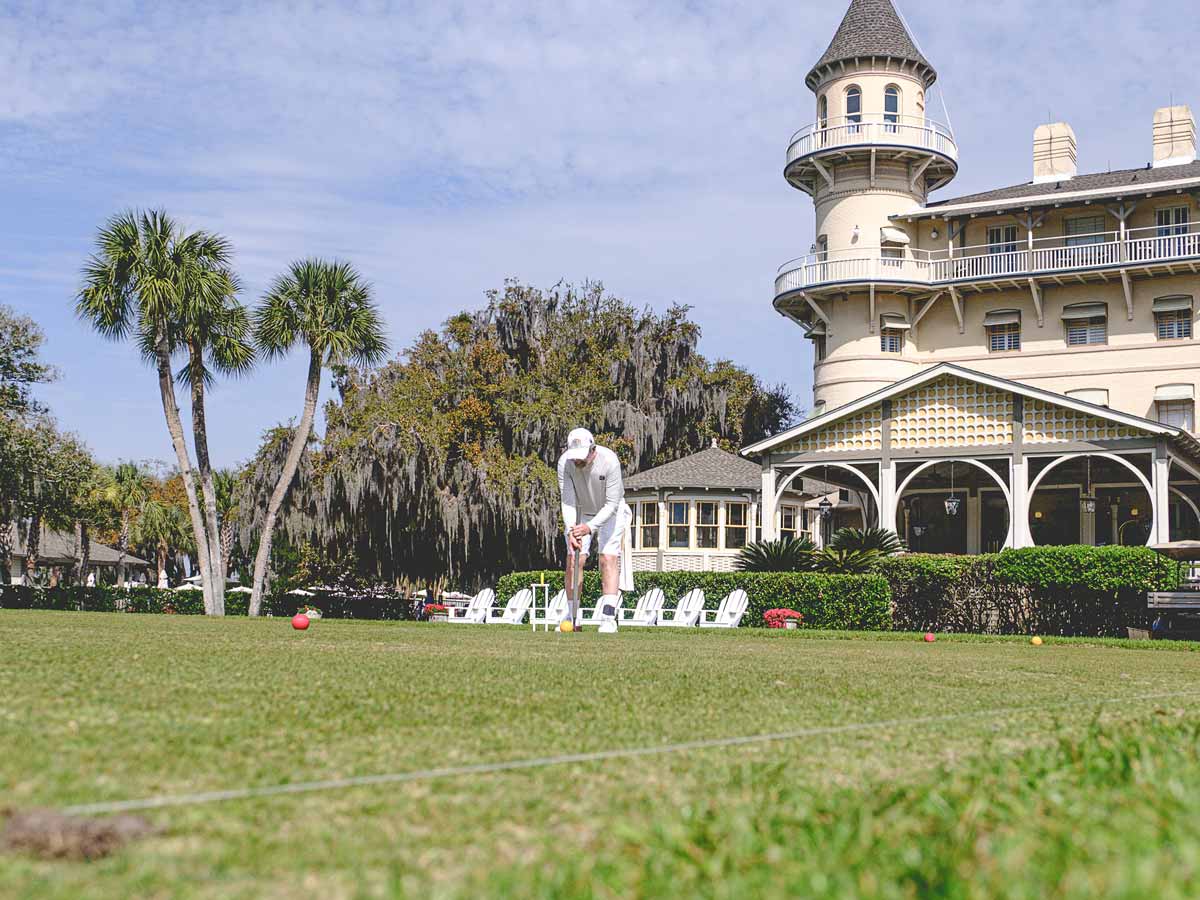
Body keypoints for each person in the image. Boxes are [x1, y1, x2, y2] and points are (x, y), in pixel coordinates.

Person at [557, 427, 634, 628]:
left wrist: (589, 528)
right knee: (574, 559)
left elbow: (611, 503)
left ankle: (608, 618)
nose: (577, 461)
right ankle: (572, 617)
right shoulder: (565, 462)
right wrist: (571, 529)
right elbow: (567, 501)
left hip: (612, 511)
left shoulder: (610, 461)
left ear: (593, 449)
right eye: (575, 457)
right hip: (582, 511)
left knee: (607, 557)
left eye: (581, 457)